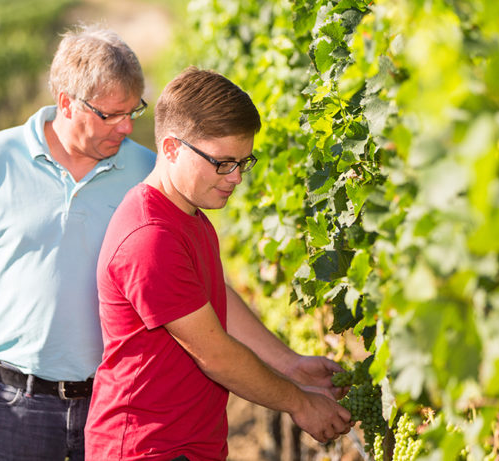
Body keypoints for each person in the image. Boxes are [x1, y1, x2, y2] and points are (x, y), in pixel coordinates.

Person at [85, 67, 353, 461]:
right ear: (173, 148)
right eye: (224, 162)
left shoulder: (188, 214)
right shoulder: (150, 237)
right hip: (147, 448)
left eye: (244, 162)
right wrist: (300, 403)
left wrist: (290, 365)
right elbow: (216, 355)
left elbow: (211, 301)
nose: (237, 178)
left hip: (187, 446)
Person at [0, 25, 156, 461]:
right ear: (66, 102)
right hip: (15, 409)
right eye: (110, 115)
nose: (126, 127)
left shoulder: (148, 172)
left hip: (118, 404)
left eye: (133, 111)